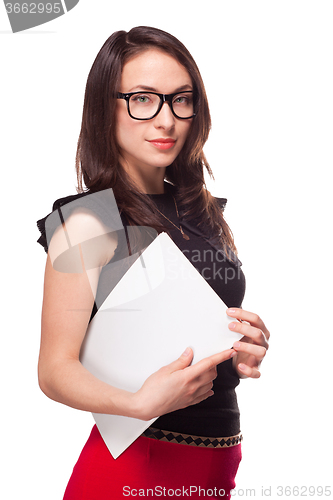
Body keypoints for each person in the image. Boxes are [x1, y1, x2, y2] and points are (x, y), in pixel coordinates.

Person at [37, 26, 270, 499]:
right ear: (106, 108)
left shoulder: (201, 209)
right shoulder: (87, 222)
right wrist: (137, 403)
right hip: (135, 466)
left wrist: (242, 344)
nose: (166, 120)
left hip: (218, 463)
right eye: (143, 99)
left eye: (181, 99)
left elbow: (187, 324)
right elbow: (53, 369)